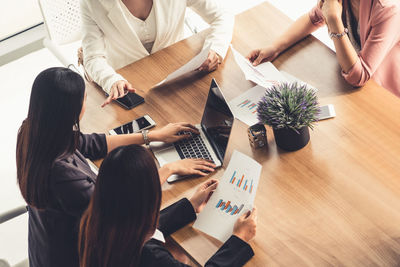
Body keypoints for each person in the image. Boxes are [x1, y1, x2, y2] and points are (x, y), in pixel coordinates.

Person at [16, 67, 216, 267]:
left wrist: (152, 136)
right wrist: (169, 169)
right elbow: (122, 209)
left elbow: (92, 144)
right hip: (76, 258)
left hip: (48, 249)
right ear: (72, 111)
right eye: (84, 98)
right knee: (181, 253)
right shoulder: (65, 178)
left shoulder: (34, 133)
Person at [79, 144, 257, 267]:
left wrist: (189, 206)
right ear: (149, 196)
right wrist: (239, 239)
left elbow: (137, 226)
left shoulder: (94, 222)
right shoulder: (151, 256)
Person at [80, 0, 234, 106]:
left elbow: (222, 15)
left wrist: (215, 50)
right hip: (132, 85)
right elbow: (93, 57)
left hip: (179, 75)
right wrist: (112, 80)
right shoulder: (91, 3)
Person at [247, 0, 400, 97]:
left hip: (386, 96)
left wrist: (333, 20)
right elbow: (313, 18)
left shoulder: (388, 9)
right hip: (355, 92)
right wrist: (275, 47)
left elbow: (359, 76)